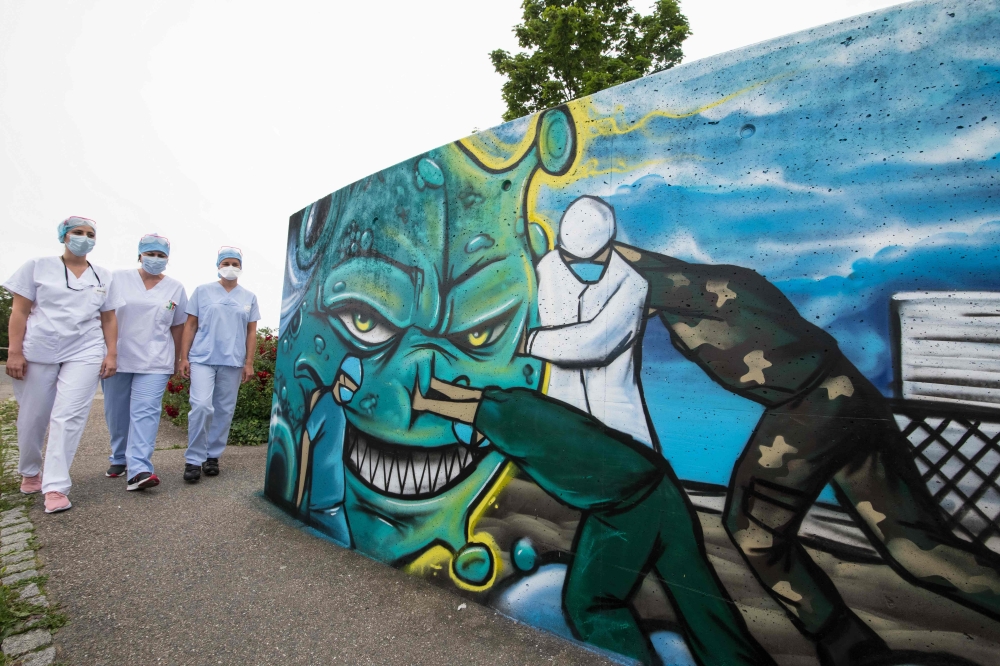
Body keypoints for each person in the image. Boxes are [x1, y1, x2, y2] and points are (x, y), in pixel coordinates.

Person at [330, 358, 776, 666]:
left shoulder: (511, 420)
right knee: (700, 600)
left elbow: (473, 410)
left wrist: (429, 401)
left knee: (590, 604)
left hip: (627, 505)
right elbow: (476, 402)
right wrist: (443, 392)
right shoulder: (511, 402)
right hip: (657, 487)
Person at [3, 216, 122, 513]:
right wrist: (14, 352)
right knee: (33, 416)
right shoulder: (37, 266)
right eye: (78, 232)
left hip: (85, 350)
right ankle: (30, 470)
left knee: (68, 416)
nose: (84, 238)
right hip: (39, 350)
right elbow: (19, 311)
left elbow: (108, 318)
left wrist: (111, 354)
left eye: (90, 234)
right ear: (64, 237)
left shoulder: (104, 275)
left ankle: (55, 487)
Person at [527, 196, 656, 449]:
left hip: (618, 424)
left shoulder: (633, 284)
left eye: (592, 260)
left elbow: (598, 342)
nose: (579, 267)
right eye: (570, 259)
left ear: (609, 246)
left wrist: (529, 341)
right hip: (559, 416)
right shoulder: (543, 271)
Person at [102, 234, 188, 491]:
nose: (155, 259)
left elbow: (178, 326)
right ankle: (119, 456)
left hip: (156, 360)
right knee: (116, 413)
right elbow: (104, 316)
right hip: (119, 357)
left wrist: (177, 360)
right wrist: (108, 352)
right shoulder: (117, 278)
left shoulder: (175, 288)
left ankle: (139, 468)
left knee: (147, 412)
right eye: (150, 254)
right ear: (139, 255)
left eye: (161, 256)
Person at [178, 247, 259, 482]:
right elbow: (190, 325)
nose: (231, 267)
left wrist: (249, 362)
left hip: (232, 361)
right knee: (202, 406)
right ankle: (193, 458)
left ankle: (212, 455)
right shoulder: (203, 291)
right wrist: (184, 357)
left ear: (241, 267)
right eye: (226, 263)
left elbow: (251, 331)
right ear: (218, 266)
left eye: (235, 263)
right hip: (202, 358)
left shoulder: (248, 297)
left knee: (224, 411)